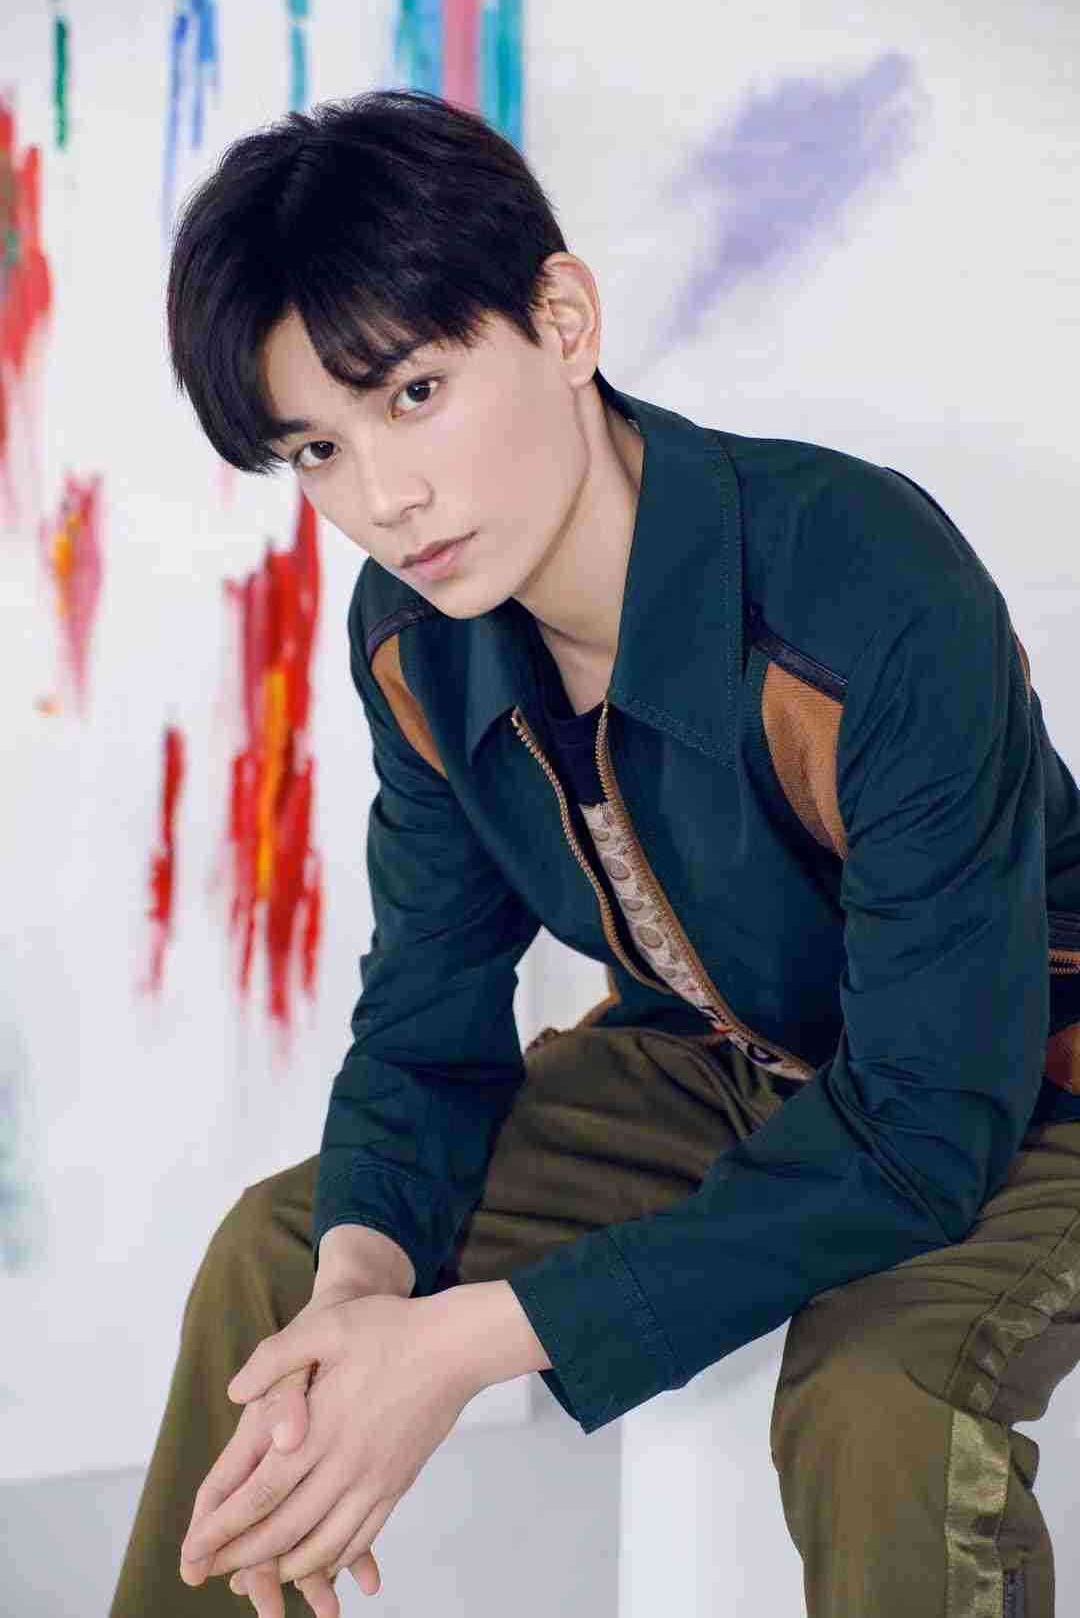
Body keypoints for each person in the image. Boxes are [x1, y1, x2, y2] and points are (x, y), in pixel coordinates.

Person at [111, 87, 1080, 1618]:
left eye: (415, 393)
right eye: (316, 450)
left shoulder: (867, 577)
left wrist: (462, 1343)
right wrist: (365, 1302)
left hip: (1019, 1075)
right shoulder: (414, 633)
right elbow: (425, 1020)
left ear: (562, 319)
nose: (384, 500)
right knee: (285, 1258)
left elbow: (922, 1127)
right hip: (725, 1059)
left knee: (878, 1401)